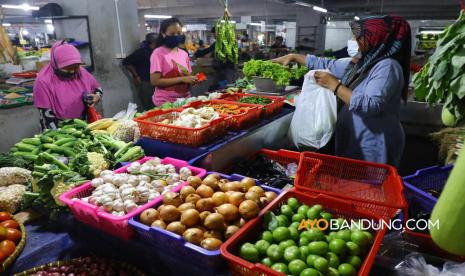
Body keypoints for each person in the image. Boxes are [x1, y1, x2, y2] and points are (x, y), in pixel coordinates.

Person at [274, 15, 411, 167]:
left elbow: (369, 105)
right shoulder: (362, 62)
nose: (353, 39)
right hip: (352, 137)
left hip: (372, 143)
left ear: (376, 38)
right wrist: (293, 56)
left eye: (358, 36)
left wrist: (335, 86)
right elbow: (326, 63)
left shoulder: (387, 67)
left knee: (368, 186)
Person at [33, 41, 102, 130]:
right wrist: (59, 137)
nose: (72, 71)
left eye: (76, 67)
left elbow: (98, 89)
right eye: (68, 68)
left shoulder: (82, 73)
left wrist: (96, 96)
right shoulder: (43, 81)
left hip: (82, 125)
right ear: (56, 64)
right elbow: (47, 116)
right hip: (57, 127)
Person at [150, 18, 197, 106]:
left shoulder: (183, 53)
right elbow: (154, 81)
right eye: (172, 34)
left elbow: (187, 75)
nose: (176, 36)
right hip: (165, 102)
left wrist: (194, 80)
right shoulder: (158, 53)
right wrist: (182, 79)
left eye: (179, 33)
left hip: (185, 99)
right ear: (163, 34)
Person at [123, 33, 157, 110]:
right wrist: (136, 76)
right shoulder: (141, 52)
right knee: (150, 108)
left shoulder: (158, 52)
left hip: (158, 84)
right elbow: (126, 62)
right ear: (155, 41)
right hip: (146, 84)